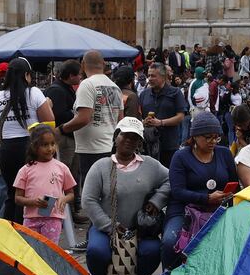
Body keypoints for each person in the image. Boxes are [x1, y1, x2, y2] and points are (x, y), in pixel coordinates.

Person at [81, 117, 170, 275]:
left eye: (135, 137)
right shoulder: (101, 166)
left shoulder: (150, 165)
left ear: (139, 143)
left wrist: (157, 200)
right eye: (125, 136)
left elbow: (171, 179)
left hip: (139, 229)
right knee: (96, 251)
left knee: (153, 251)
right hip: (106, 227)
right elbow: (88, 200)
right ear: (115, 137)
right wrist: (109, 226)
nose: (129, 140)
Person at [163, 111, 236, 269]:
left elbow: (234, 182)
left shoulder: (224, 154)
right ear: (195, 136)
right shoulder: (180, 157)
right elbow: (178, 191)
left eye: (216, 137)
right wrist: (206, 198)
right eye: (207, 137)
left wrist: (226, 195)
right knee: (170, 241)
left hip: (217, 209)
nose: (213, 141)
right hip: (183, 210)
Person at [0, 57, 55, 222]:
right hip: (30, 148)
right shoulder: (34, 93)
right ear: (27, 75)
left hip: (7, 150)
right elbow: (50, 124)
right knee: (31, 194)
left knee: (13, 195)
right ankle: (31, 231)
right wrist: (49, 106)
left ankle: (11, 233)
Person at [59, 50, 124, 190]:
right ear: (103, 64)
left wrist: (61, 129)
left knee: (91, 194)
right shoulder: (115, 87)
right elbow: (120, 120)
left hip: (91, 149)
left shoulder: (87, 85)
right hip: (110, 146)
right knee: (107, 190)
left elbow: (83, 118)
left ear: (83, 65)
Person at [14, 124, 76, 244]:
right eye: (45, 145)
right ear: (34, 146)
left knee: (50, 251)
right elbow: (17, 198)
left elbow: (71, 193)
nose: (50, 149)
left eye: (52, 144)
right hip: (30, 219)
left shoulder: (62, 168)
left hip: (53, 219)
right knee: (32, 252)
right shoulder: (25, 170)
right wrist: (33, 202)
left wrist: (64, 199)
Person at [44, 60, 83, 197]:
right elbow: (58, 115)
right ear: (71, 76)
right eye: (79, 75)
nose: (81, 77)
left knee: (72, 175)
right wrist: (77, 113)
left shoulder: (65, 88)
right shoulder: (57, 90)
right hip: (63, 139)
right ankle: (64, 209)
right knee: (64, 174)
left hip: (69, 137)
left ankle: (72, 209)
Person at [139, 62, 188, 168]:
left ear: (163, 77)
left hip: (169, 145)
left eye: (153, 76)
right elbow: (139, 117)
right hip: (148, 146)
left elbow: (180, 117)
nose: (150, 79)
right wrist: (144, 121)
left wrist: (161, 122)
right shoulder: (144, 94)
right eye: (149, 75)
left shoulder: (175, 93)